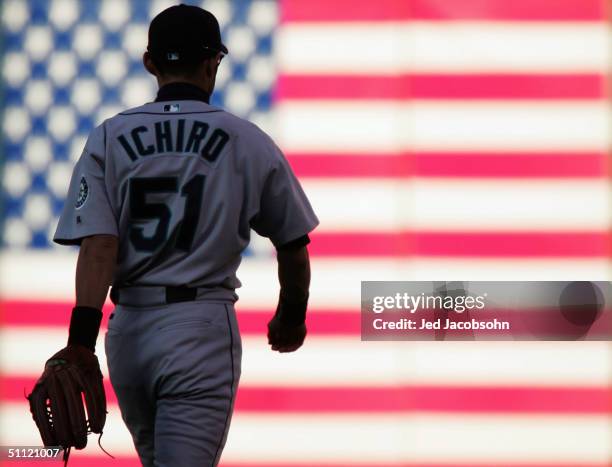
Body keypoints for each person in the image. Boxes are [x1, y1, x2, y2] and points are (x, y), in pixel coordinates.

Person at [51, 4, 318, 466]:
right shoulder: (245, 138)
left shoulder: (110, 137)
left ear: (150, 63)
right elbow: (292, 245)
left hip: (129, 329)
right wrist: (291, 315)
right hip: (200, 328)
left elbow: (99, 247)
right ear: (214, 60)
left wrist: (80, 342)